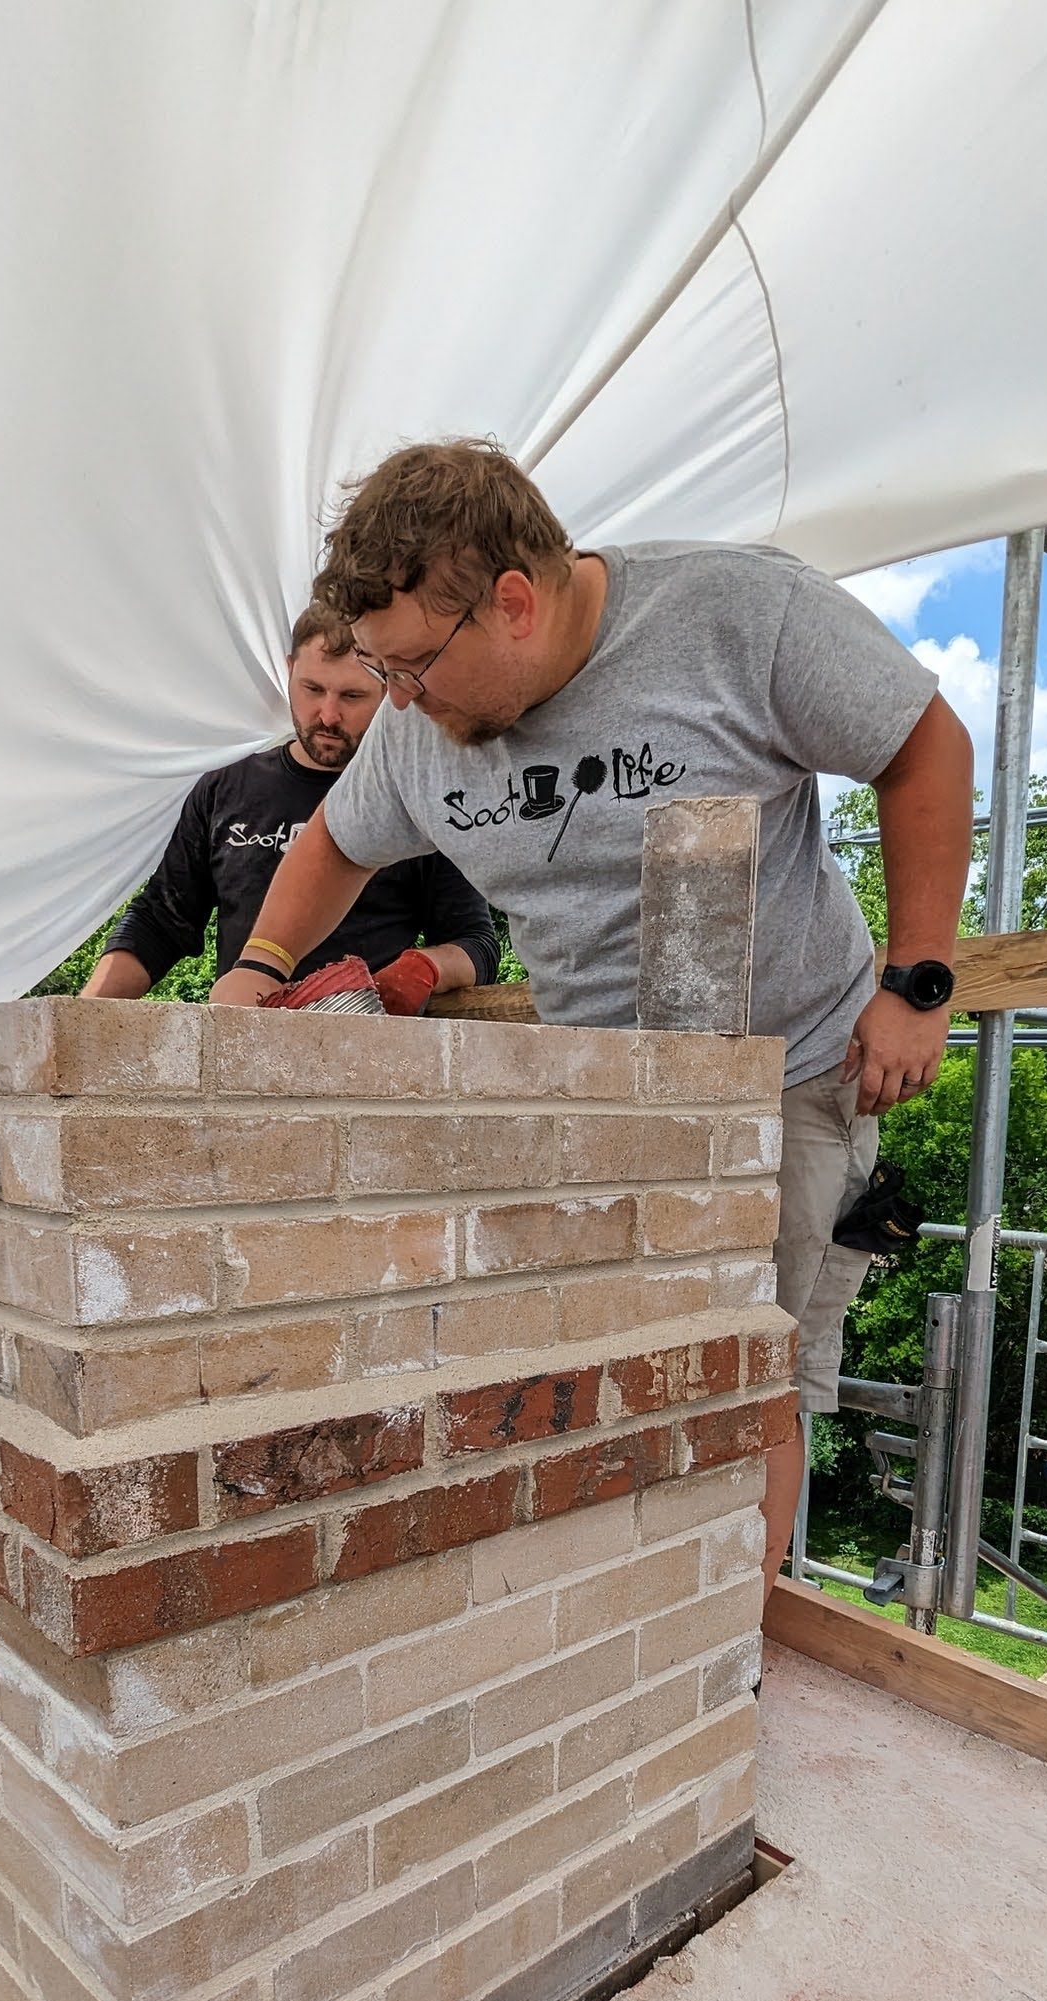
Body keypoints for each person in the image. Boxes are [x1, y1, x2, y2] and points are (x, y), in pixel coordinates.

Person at [211, 441, 974, 1592]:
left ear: (512, 602)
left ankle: (722, 1648)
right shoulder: (422, 727)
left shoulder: (736, 612)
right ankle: (628, 1612)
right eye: (380, 670)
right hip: (601, 1097)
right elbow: (333, 844)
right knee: (602, 1354)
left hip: (786, 1072)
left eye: (413, 665)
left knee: (744, 1363)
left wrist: (917, 983)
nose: (399, 701)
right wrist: (257, 973)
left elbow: (925, 748)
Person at [82, 606, 499, 1009]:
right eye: (313, 689)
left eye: (352, 696)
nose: (328, 715)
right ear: (289, 669)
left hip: (369, 1050)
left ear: (391, 688)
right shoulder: (225, 788)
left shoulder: (414, 796)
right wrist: (82, 1016)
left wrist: (424, 968)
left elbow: (477, 945)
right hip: (245, 1041)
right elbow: (160, 922)